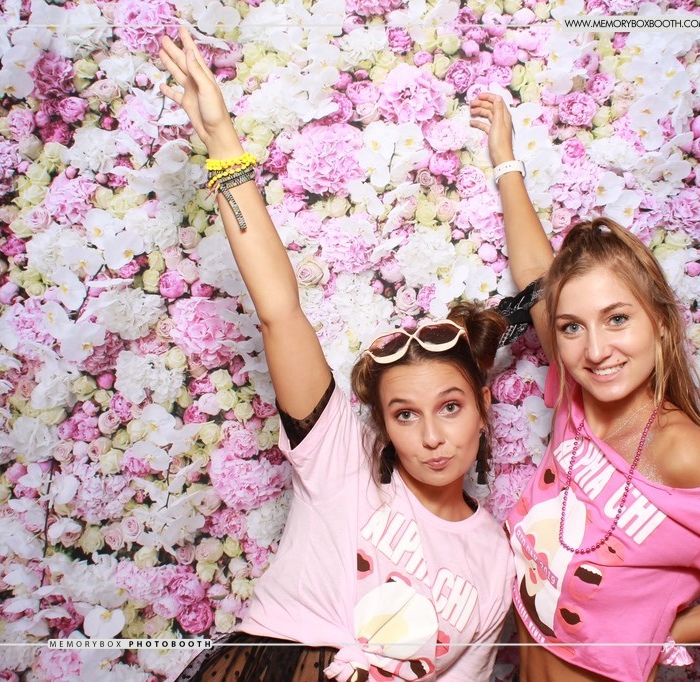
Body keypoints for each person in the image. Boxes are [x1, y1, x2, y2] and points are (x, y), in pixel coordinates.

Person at [159, 29, 513, 682]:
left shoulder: (497, 560)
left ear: (483, 408)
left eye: (450, 407)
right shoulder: (342, 463)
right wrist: (223, 143)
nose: (432, 437)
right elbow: (279, 310)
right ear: (383, 423)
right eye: (405, 414)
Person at [469, 92, 700, 682]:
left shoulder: (685, 454)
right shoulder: (578, 393)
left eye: (618, 319)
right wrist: (505, 159)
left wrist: (669, 632)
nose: (596, 350)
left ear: (660, 322)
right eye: (572, 327)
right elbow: (538, 276)